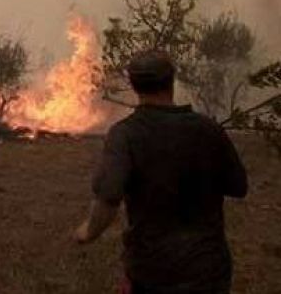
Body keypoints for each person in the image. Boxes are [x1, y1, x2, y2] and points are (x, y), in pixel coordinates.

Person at [74, 50, 247, 294]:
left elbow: (109, 195)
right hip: (209, 269)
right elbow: (239, 187)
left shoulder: (125, 134)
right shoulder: (208, 129)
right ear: (171, 81)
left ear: (133, 85)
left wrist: (87, 232)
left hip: (154, 271)